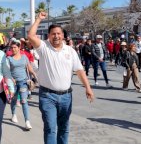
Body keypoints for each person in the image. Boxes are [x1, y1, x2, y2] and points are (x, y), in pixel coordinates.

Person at [27, 12, 94, 144]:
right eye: (53, 33)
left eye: (59, 33)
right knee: (51, 128)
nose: (56, 36)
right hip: (47, 96)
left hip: (66, 97)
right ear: (49, 36)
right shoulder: (43, 47)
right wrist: (39, 19)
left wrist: (88, 88)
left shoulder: (70, 51)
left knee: (64, 128)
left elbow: (80, 70)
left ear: (63, 35)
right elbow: (30, 35)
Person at [7, 41, 37, 130]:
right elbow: (7, 71)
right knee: (14, 99)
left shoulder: (24, 57)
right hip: (13, 83)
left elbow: (29, 67)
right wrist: (11, 79)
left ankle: (27, 121)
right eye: (11, 48)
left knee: (24, 101)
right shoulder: (9, 58)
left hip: (23, 82)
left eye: (15, 47)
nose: (13, 49)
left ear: (19, 48)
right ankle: (13, 114)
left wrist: (35, 75)